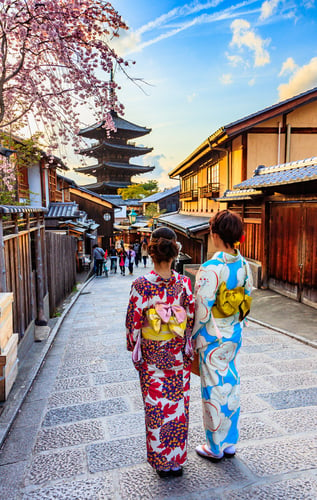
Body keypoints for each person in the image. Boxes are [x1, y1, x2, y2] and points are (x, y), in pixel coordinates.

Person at [126, 227, 195, 478]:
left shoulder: (141, 285)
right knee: (177, 407)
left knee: (156, 408)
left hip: (153, 358)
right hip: (177, 357)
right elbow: (191, 320)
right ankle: (176, 461)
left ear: (151, 252)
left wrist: (135, 347)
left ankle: (161, 462)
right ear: (174, 253)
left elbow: (133, 326)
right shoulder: (184, 283)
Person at [192, 210, 253, 462]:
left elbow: (201, 309)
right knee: (231, 384)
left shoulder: (210, 268)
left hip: (213, 336)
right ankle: (229, 442)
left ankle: (215, 447)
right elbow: (246, 297)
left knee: (213, 390)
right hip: (233, 333)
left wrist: (192, 338)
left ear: (215, 235)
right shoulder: (243, 264)